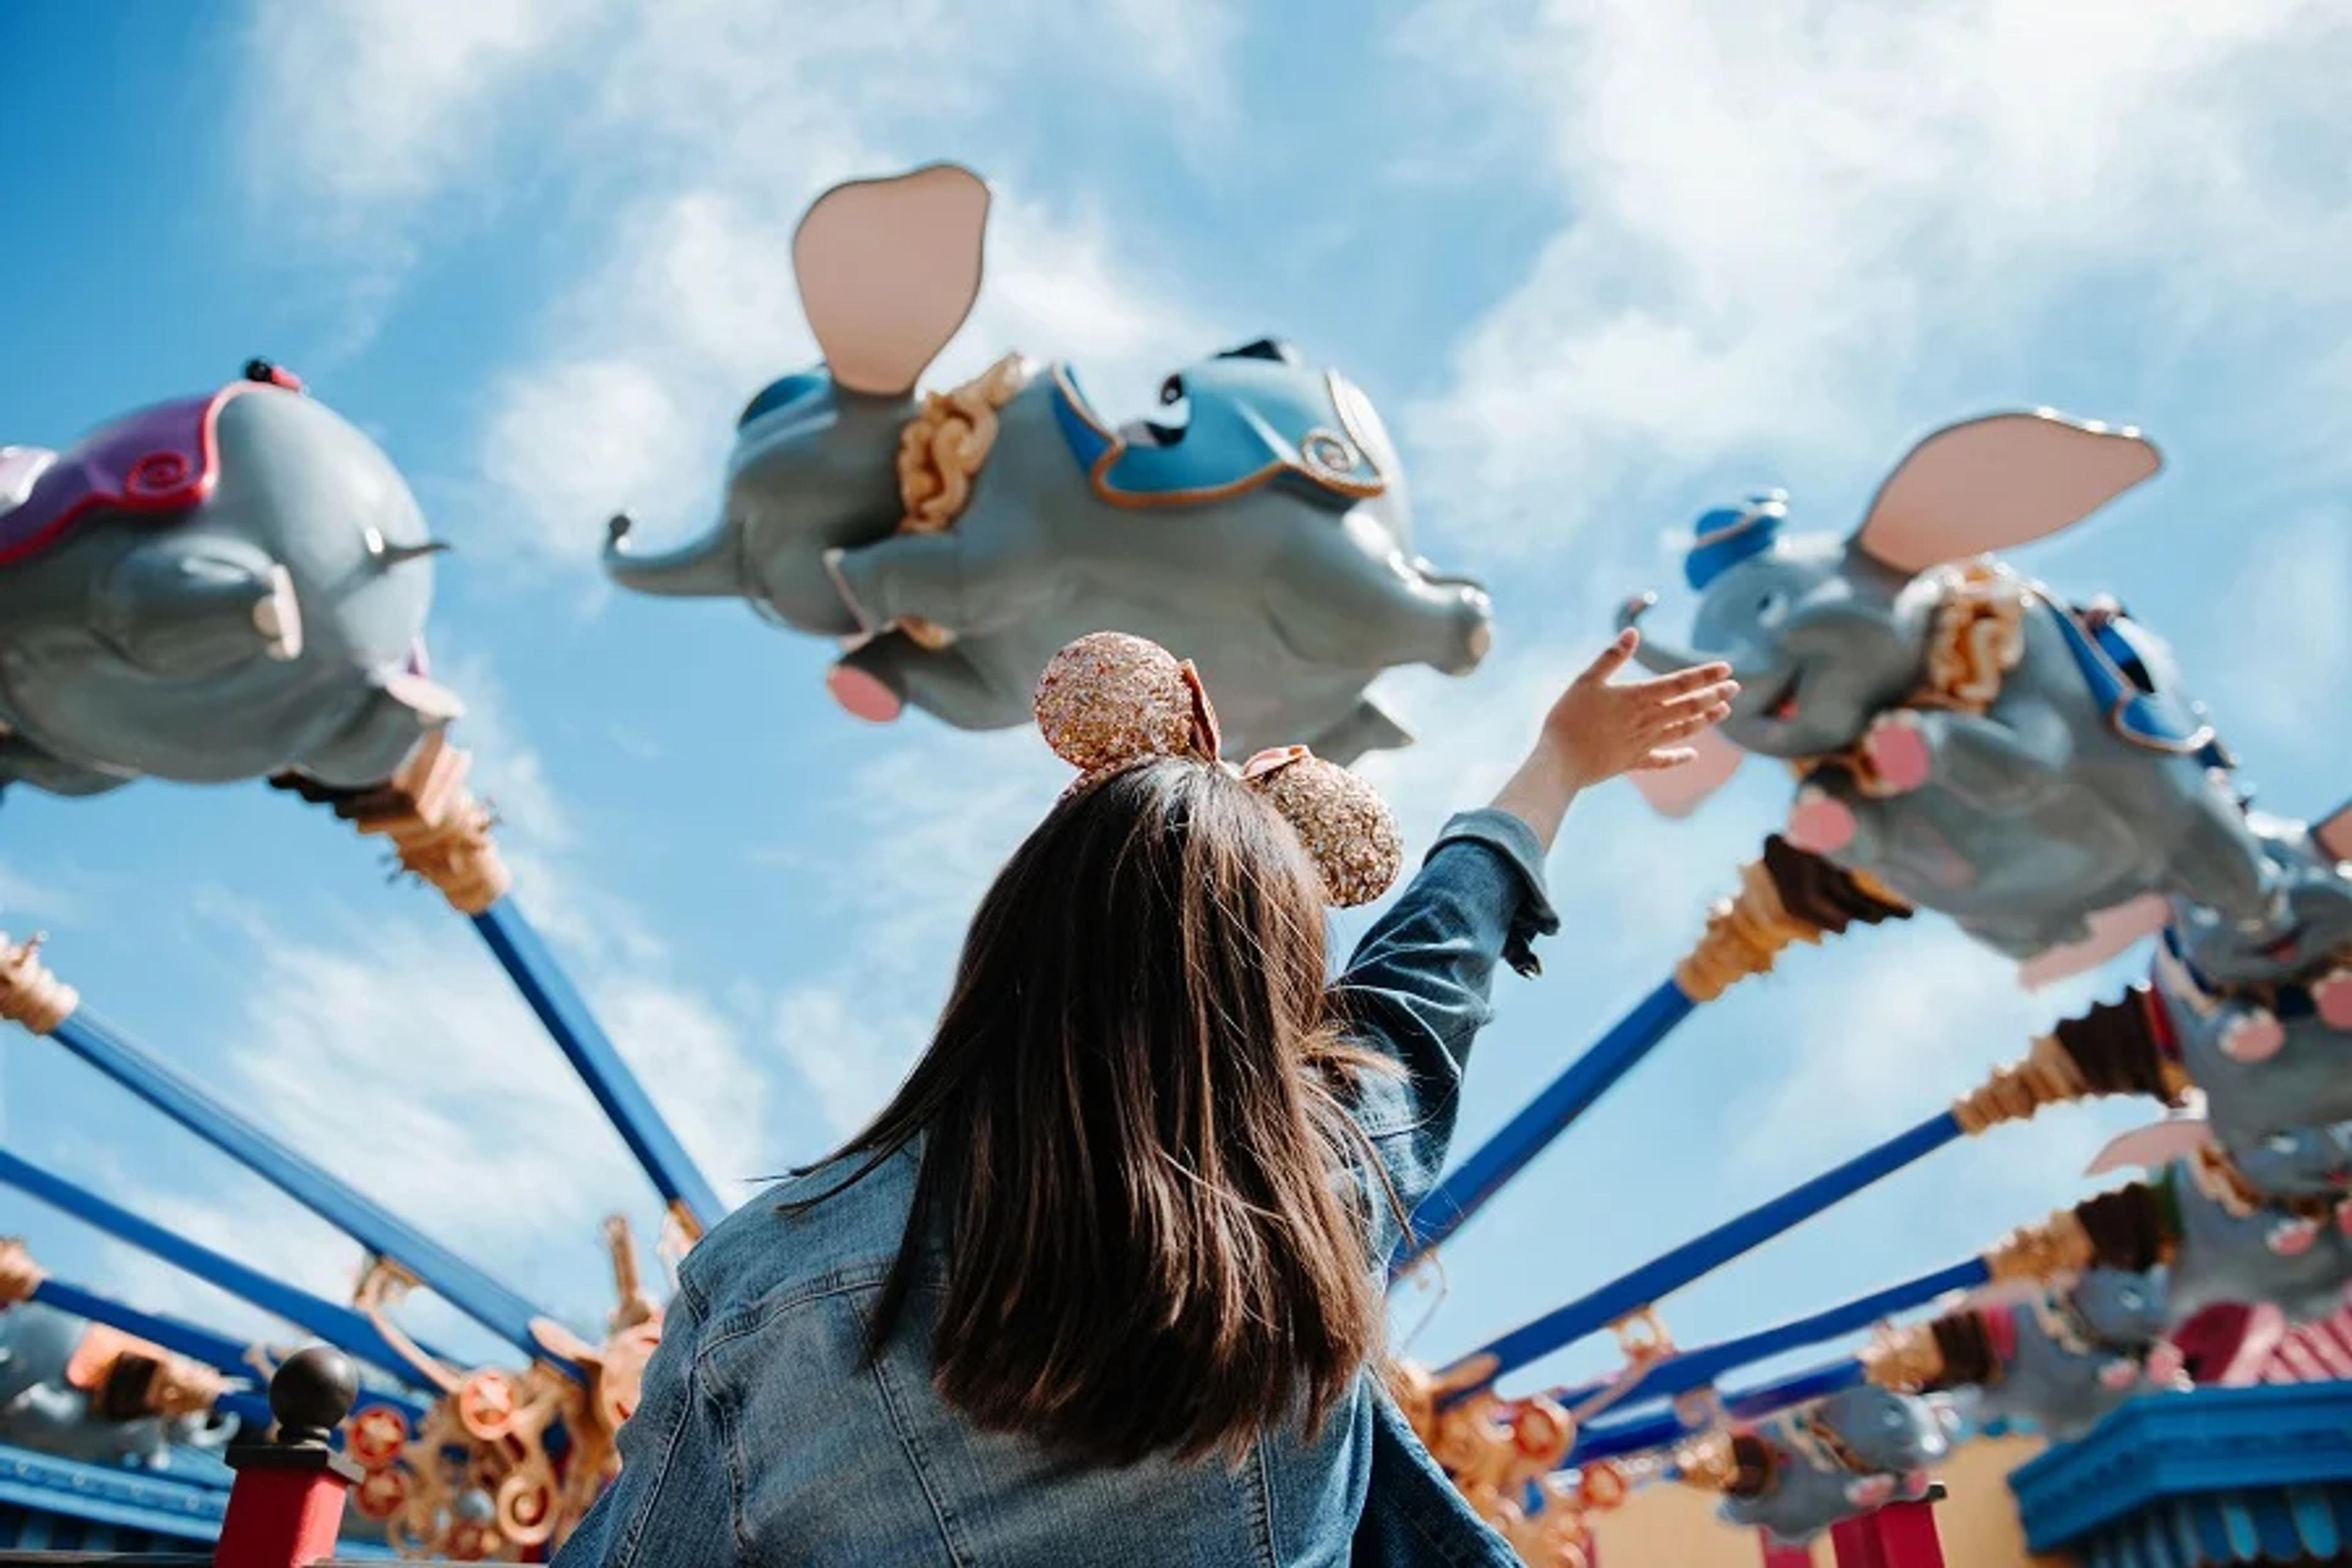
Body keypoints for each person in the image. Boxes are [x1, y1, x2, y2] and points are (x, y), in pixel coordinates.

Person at [557, 628, 1734, 1567]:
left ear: (1012, 941)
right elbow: (1434, 968)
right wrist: (1558, 765)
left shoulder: (764, 1281)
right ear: (1280, 995)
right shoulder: (1322, 1196)